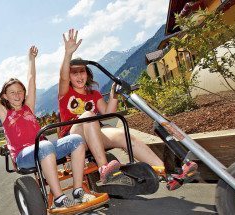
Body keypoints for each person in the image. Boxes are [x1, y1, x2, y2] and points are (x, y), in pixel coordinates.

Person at [58, 29, 198, 190]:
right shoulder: (65, 92)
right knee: (89, 115)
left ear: (87, 73)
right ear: (69, 77)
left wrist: (113, 95)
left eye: (81, 71)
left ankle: (167, 173)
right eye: (74, 73)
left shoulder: (94, 94)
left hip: (93, 133)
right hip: (73, 136)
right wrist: (68, 53)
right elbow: (62, 77)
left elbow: (108, 114)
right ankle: (105, 169)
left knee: (123, 134)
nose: (79, 76)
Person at [0, 46, 96, 209]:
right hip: (23, 156)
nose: (17, 95)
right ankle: (59, 197)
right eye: (12, 92)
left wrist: (31, 59)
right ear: (5, 96)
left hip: (43, 149)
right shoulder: (4, 113)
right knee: (45, 145)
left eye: (20, 91)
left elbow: (32, 79)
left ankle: (77, 191)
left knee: (76, 140)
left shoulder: (29, 108)